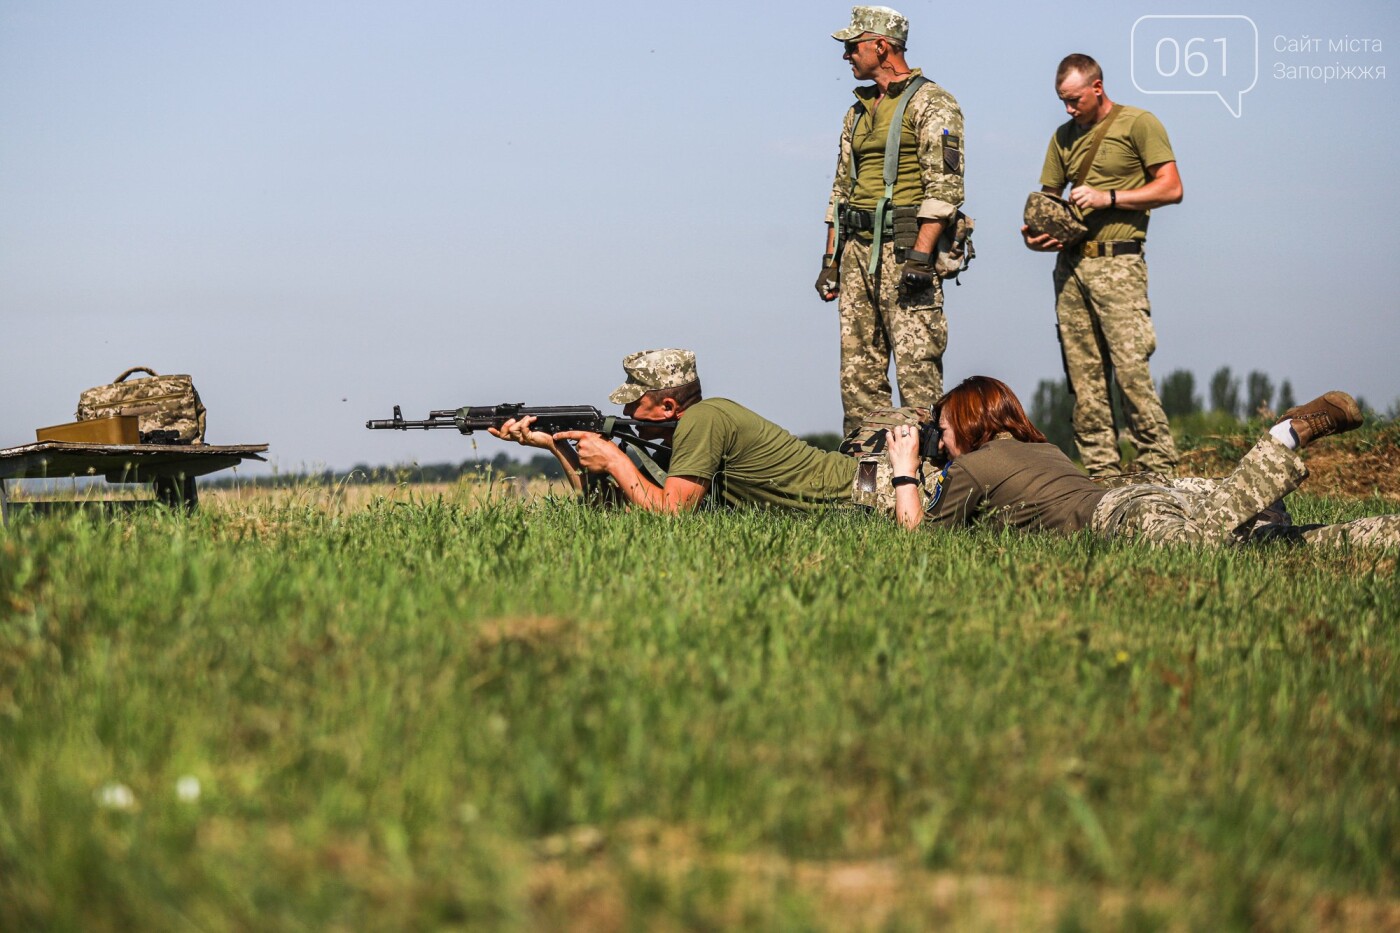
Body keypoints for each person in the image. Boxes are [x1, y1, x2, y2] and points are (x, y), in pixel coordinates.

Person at [885, 375, 1400, 550]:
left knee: (1198, 546)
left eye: (946, 430)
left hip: (1120, 514)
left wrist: (906, 465)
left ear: (971, 423)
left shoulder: (974, 467)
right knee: (1270, 546)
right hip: (1162, 492)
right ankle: (1386, 532)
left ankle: (1285, 435)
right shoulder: (1042, 448)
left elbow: (921, 540)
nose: (943, 441)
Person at [1022, 53, 1181, 478]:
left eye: (1075, 100)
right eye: (1063, 101)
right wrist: (1038, 234)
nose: (1070, 109)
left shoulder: (1139, 124)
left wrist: (1108, 197)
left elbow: (1172, 187)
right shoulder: (1062, 137)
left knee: (1131, 372)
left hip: (1119, 264)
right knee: (1084, 379)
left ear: (1097, 87)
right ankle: (1102, 475)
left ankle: (1157, 469)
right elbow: (1049, 200)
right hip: (1071, 267)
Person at [816, 5, 965, 435]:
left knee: (917, 372)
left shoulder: (933, 103)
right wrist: (830, 260)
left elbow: (945, 188)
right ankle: (867, 480)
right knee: (858, 374)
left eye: (852, 46)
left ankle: (924, 480)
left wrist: (921, 257)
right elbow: (841, 190)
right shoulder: (858, 111)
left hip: (906, 251)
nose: (846, 55)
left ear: (881, 46)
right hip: (857, 252)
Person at [489, 349, 859, 514]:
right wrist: (558, 446)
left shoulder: (704, 420)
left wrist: (616, 459)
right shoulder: (687, 429)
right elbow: (611, 510)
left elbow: (672, 515)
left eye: (636, 402)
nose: (627, 411)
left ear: (668, 407)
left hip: (868, 496)